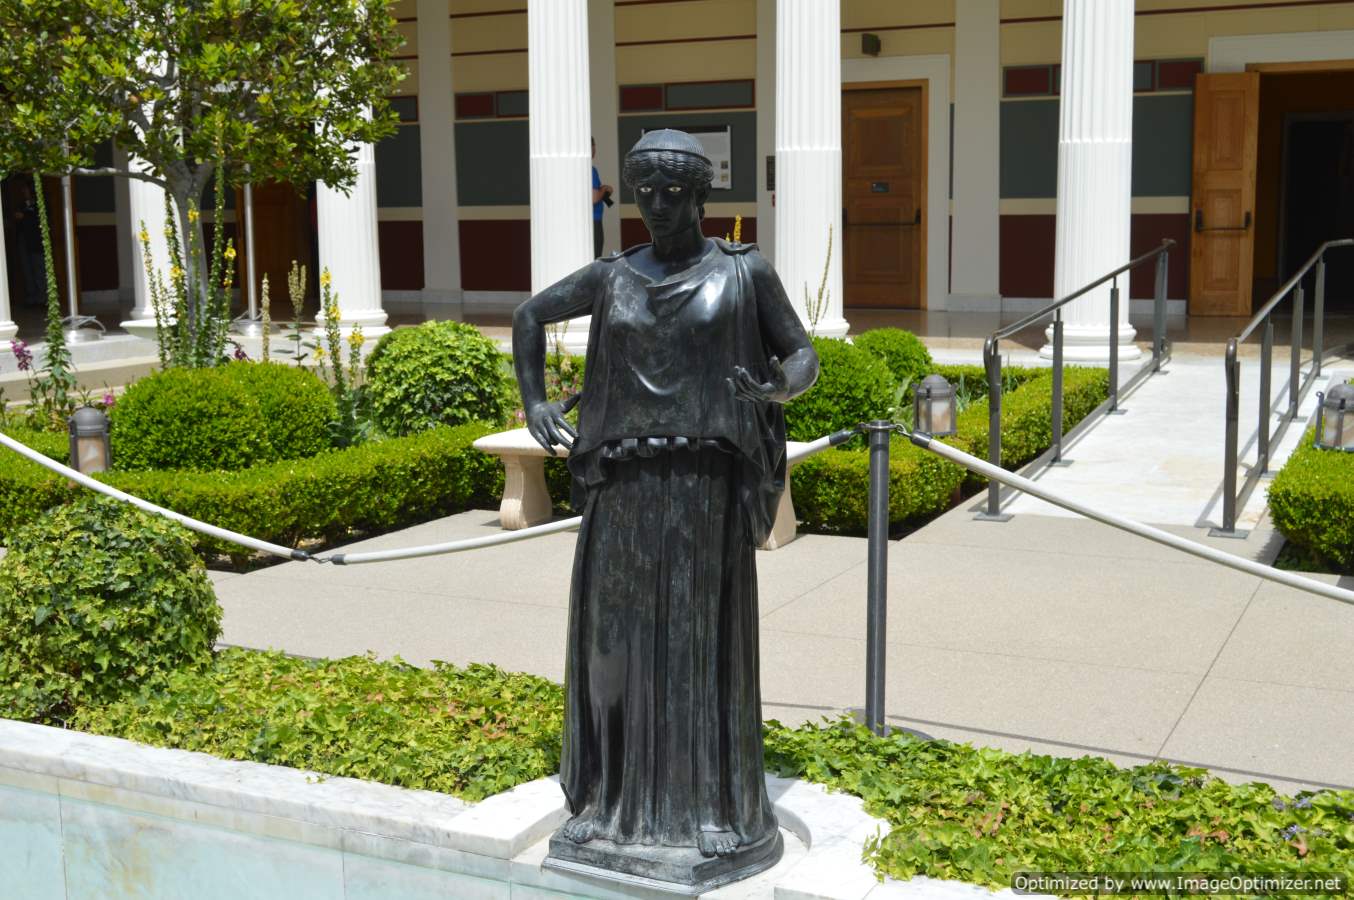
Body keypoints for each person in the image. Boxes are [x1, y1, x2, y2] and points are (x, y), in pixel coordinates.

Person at [513, 129, 818, 888]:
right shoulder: (612, 276)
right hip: (624, 486)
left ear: (701, 195)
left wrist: (779, 387)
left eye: (672, 192)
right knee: (613, 648)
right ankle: (611, 804)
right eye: (644, 191)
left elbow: (801, 353)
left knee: (695, 646)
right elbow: (528, 316)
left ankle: (711, 809)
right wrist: (535, 402)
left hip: (703, 488)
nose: (656, 205)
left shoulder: (743, 272)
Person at [12, 181, 47, 307]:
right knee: (27, 270)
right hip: (24, 241)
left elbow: (40, 220)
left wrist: (24, 216)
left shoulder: (40, 204)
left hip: (36, 242)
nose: (23, 192)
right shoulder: (22, 205)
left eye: (25, 189)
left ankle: (42, 298)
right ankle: (32, 297)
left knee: (39, 269)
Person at [591, 137, 613, 258]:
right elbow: (594, 198)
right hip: (592, 223)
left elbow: (597, 194)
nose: (594, 149)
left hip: (596, 220)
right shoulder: (587, 170)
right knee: (593, 261)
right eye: (592, 146)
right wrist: (604, 189)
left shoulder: (593, 170)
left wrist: (604, 191)